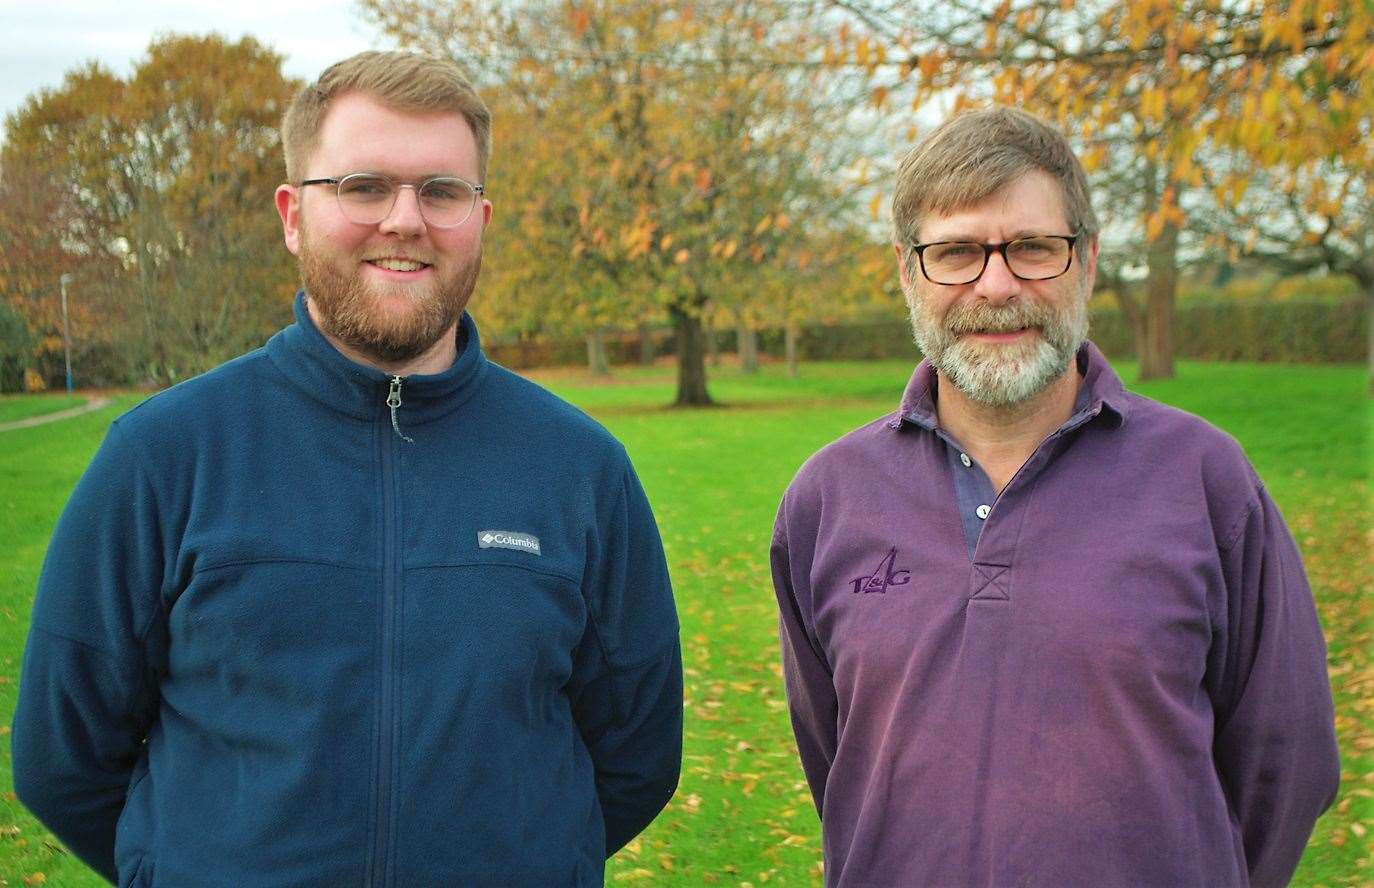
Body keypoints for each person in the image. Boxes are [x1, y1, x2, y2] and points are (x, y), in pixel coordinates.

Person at [13, 51, 681, 887]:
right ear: (293, 215)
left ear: (480, 217)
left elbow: (637, 758)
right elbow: (61, 759)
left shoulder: (581, 469)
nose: (406, 219)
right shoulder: (162, 456)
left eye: (442, 191)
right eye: (364, 185)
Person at [770, 107, 1338, 887]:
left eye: (1034, 248)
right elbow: (838, 759)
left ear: (1089, 262)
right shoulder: (827, 499)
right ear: (908, 272)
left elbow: (1286, 757)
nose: (996, 285)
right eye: (958, 252)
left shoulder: (1208, 480)